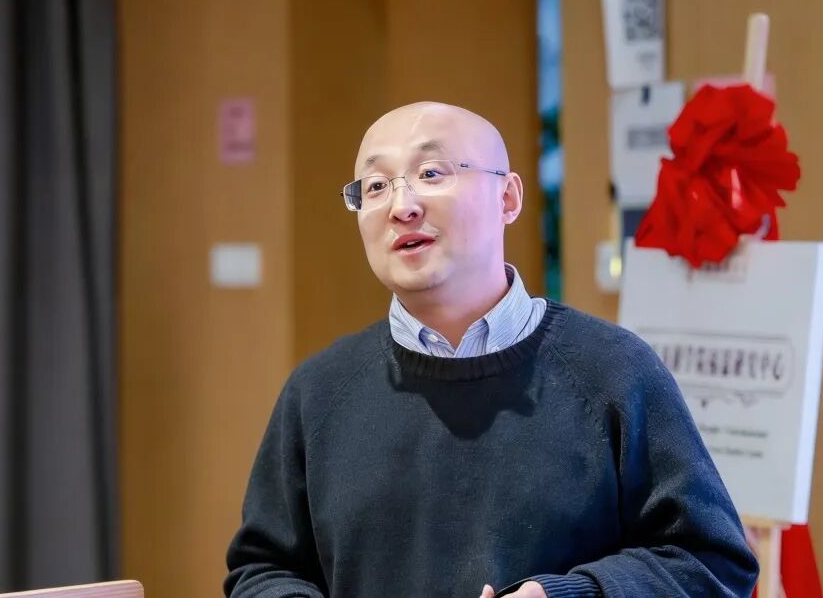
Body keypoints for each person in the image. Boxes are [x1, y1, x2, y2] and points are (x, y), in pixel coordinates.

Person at [224, 102, 759, 598]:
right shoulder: (319, 392)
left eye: (431, 173)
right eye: (377, 186)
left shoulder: (613, 371)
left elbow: (711, 562)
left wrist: (573, 594)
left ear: (508, 198)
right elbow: (263, 569)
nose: (401, 206)